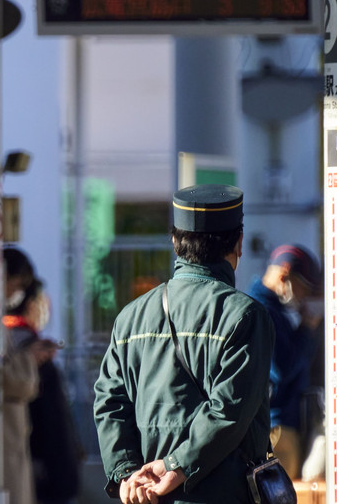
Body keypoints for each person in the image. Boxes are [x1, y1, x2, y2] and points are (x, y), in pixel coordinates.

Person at [94, 185, 274, 504]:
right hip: (225, 493)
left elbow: (109, 400)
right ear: (239, 243)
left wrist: (126, 474)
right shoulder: (246, 316)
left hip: (146, 496)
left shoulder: (130, 317)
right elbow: (229, 410)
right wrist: (175, 467)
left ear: (175, 243)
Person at [247, 244, 323, 480]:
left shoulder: (263, 307)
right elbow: (282, 367)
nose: (303, 298)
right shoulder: (263, 311)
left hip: (276, 422)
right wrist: (307, 331)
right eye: (303, 288)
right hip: (277, 427)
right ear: (285, 274)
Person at [3, 277, 81, 504]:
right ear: (31, 306)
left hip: (30, 466)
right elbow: (54, 424)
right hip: (45, 473)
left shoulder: (15, 346)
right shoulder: (34, 356)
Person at [1, 247, 54, 504]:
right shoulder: (6, 329)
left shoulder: (5, 327)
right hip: (10, 439)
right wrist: (29, 359)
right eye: (16, 284)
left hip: (17, 441)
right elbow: (19, 381)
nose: (16, 292)